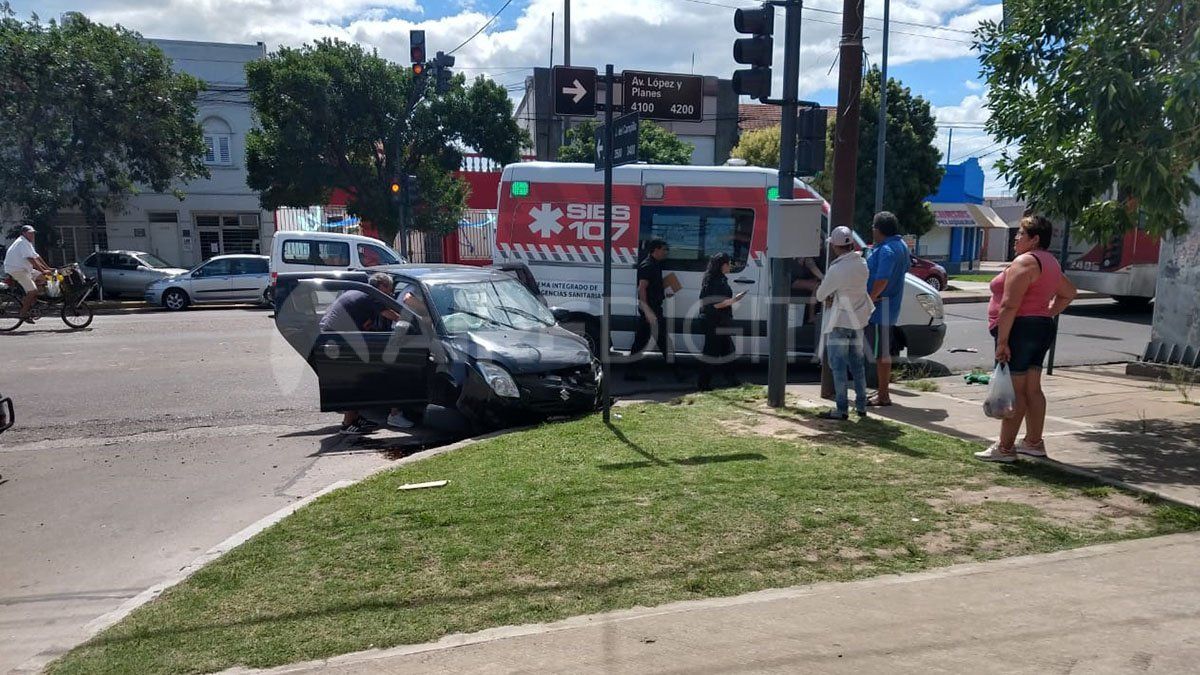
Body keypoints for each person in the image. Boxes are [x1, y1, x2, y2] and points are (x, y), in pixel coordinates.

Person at [975, 214, 1078, 462]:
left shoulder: (1025, 262)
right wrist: (1046, 313)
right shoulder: (1050, 262)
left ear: (1035, 239)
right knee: (1033, 388)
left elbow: (1010, 305)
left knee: (1017, 390)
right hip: (1041, 328)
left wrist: (1002, 341)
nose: (1016, 238)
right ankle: (1033, 442)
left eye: (1021, 234)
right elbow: (1068, 293)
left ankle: (1005, 447)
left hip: (1019, 330)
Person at [319, 272, 416, 434]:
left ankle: (355, 419)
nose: (391, 294)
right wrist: (412, 323)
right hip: (340, 340)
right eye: (390, 290)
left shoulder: (359, 292)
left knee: (358, 379)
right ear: (381, 286)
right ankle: (348, 424)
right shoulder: (371, 295)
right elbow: (392, 315)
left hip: (333, 338)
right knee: (358, 380)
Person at [814, 226, 874, 420]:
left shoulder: (836, 269)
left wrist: (832, 295)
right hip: (858, 321)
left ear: (835, 246)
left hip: (840, 321)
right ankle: (862, 405)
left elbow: (820, 294)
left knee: (838, 367)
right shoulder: (862, 263)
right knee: (858, 366)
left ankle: (841, 409)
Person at [864, 211, 911, 406]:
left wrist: (869, 300)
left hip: (879, 308)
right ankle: (882, 392)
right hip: (888, 307)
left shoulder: (886, 251)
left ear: (877, 229)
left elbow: (882, 279)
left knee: (881, 354)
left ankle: (883, 395)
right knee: (881, 352)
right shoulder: (900, 246)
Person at [627, 239, 675, 381]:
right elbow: (642, 288)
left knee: (645, 341)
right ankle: (677, 373)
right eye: (664, 249)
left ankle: (631, 372)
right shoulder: (648, 265)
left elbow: (653, 287)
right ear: (655, 250)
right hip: (651, 310)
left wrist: (664, 292)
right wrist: (647, 310)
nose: (666, 252)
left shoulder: (655, 264)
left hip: (653, 308)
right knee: (660, 341)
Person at [697, 252, 746, 390]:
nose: (730, 266)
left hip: (719, 320)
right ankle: (703, 384)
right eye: (728, 263)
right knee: (711, 353)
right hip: (713, 321)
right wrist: (735, 300)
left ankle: (731, 380)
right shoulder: (714, 281)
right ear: (722, 265)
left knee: (728, 351)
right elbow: (714, 305)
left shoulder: (720, 279)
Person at [4, 226, 53, 323]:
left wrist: (47, 269)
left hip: (26, 269)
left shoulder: (27, 243)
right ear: (23, 233)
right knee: (33, 291)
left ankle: (32, 302)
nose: (32, 235)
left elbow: (37, 257)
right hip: (17, 270)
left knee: (46, 278)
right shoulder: (22, 242)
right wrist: (42, 270)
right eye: (30, 233)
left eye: (33, 233)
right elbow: (31, 259)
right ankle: (23, 313)